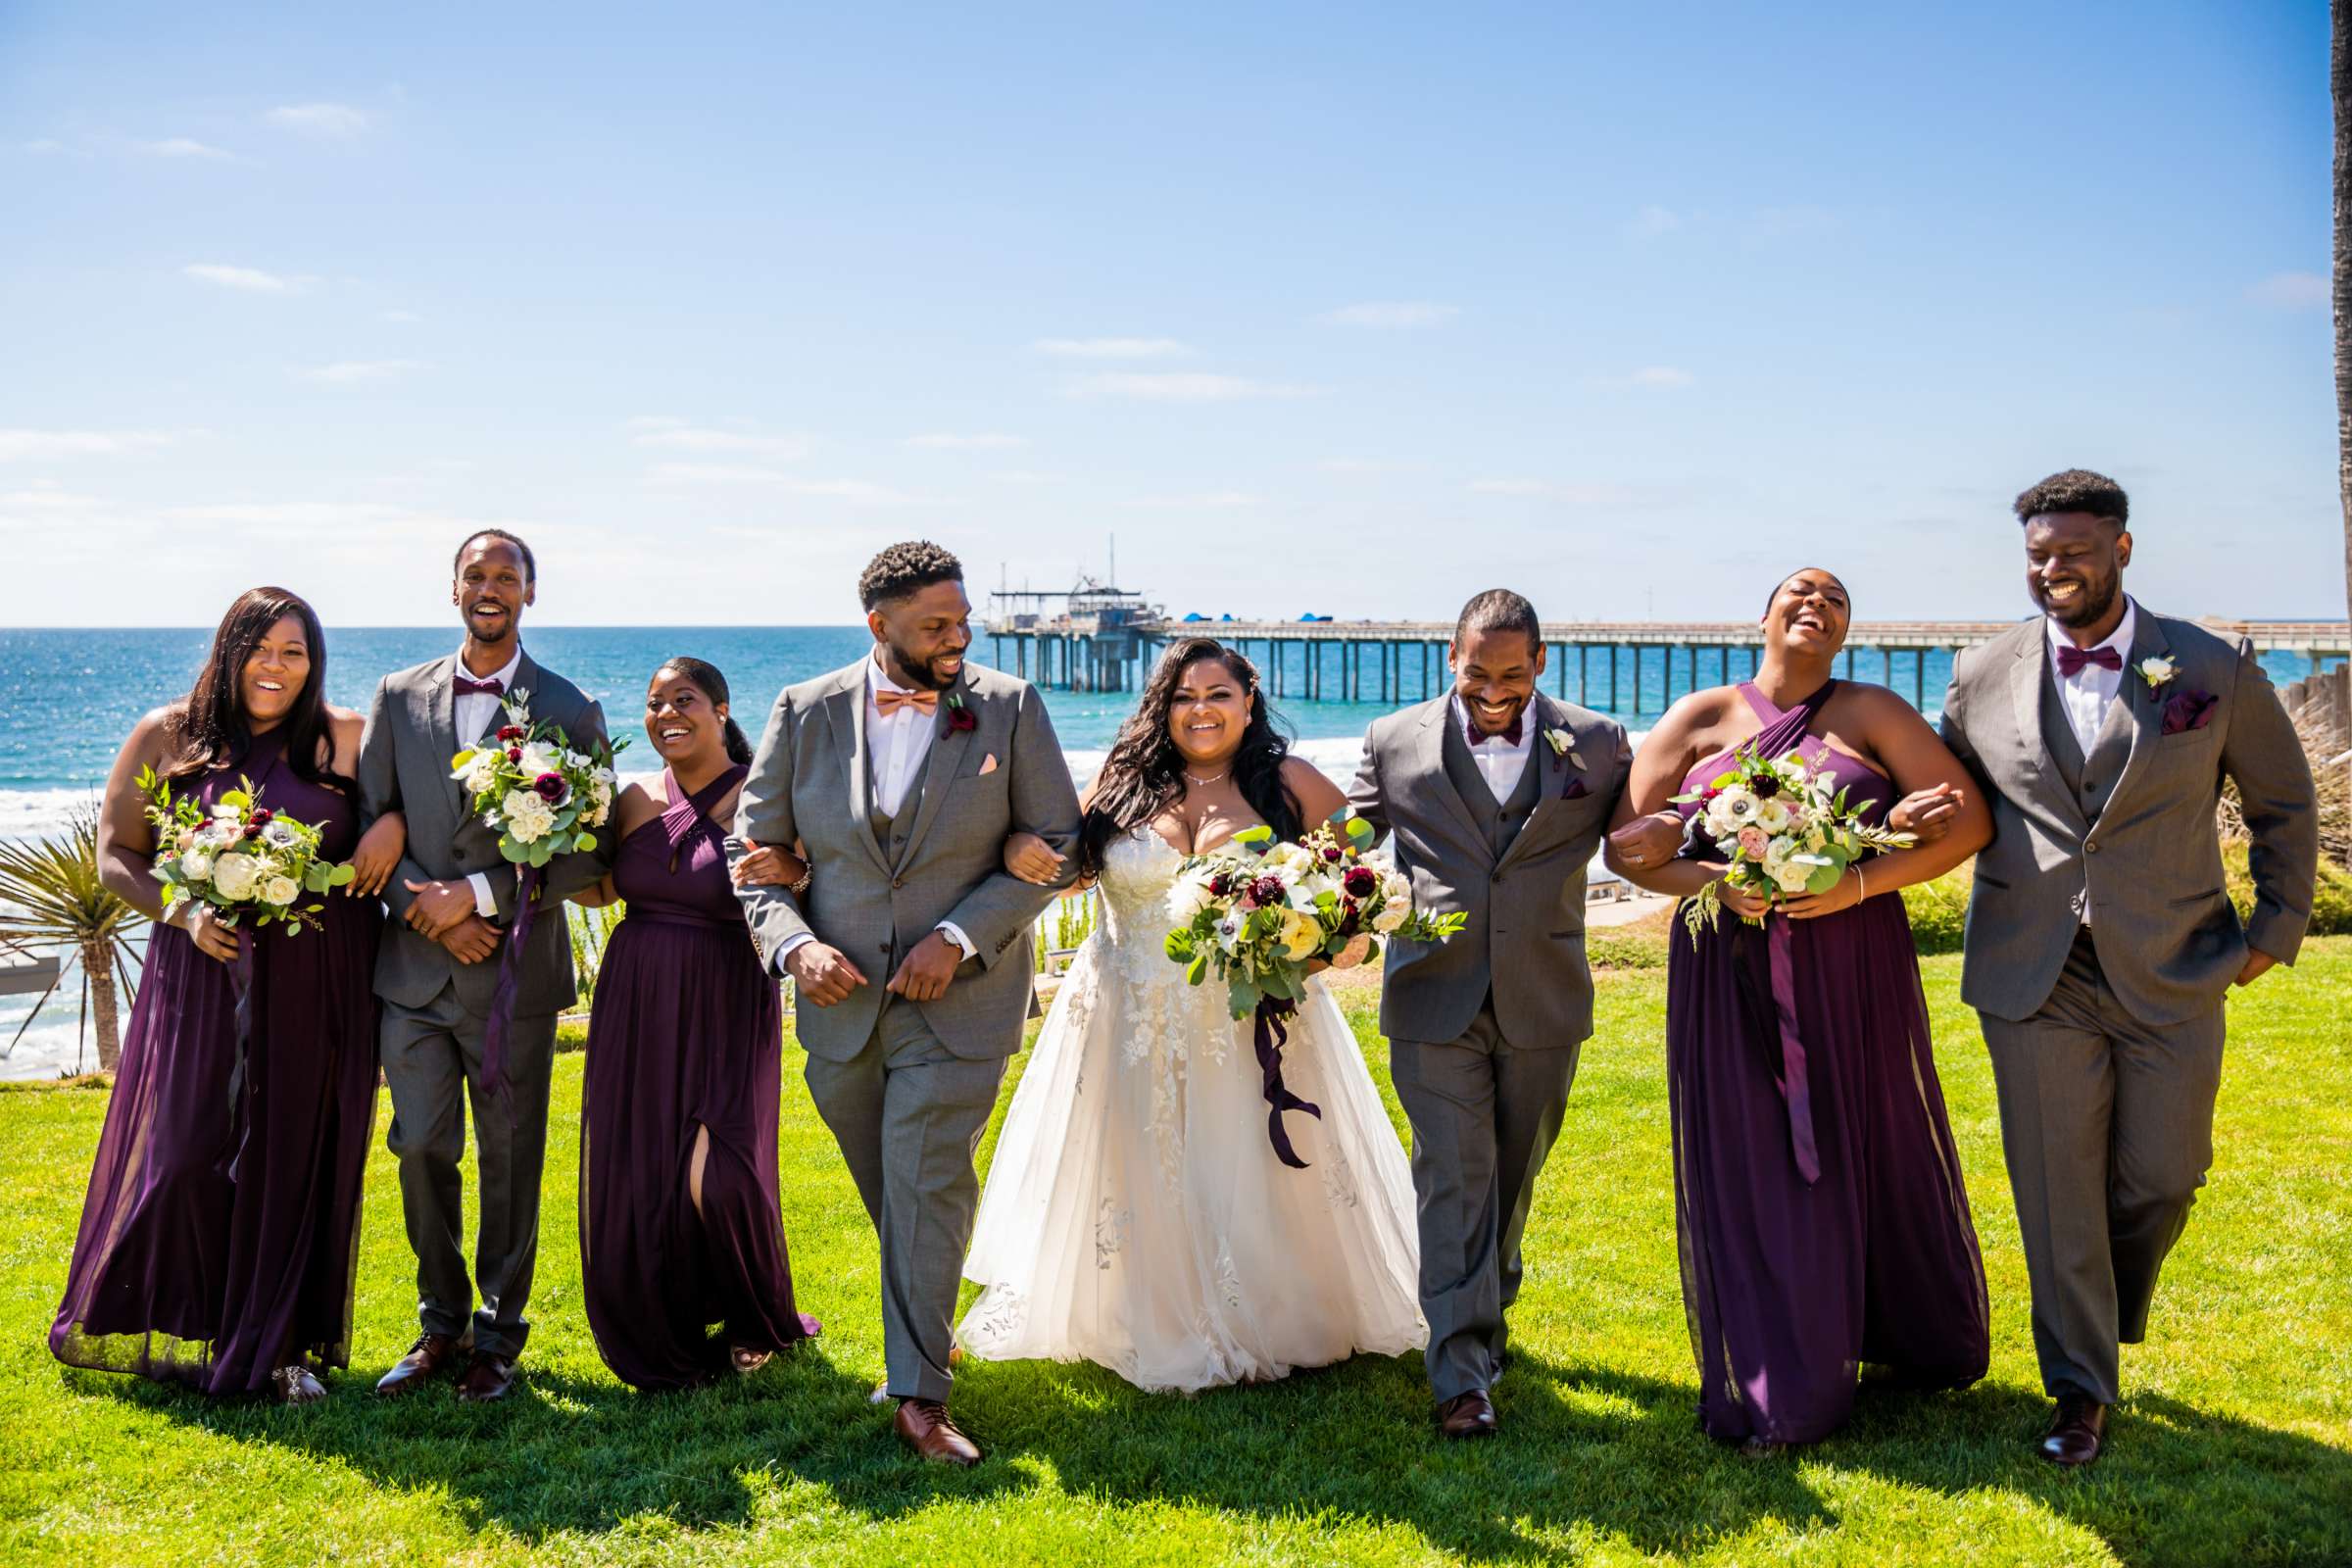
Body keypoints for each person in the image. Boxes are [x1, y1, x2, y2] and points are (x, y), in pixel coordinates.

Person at [1939, 471, 2318, 1467]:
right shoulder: (1978, 672)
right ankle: (2079, 1392)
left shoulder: (2209, 667)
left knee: (2163, 1175)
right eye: (2036, 555)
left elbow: (2285, 801)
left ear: (2122, 548)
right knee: (2055, 1187)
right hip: (2035, 973)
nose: (2051, 569)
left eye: (2071, 551)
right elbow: (1945, 795)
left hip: (2176, 961)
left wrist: (2277, 927)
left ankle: (2103, 1304)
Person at [957, 638, 1425, 1393]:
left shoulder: (1290, 782)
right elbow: (1065, 867)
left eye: (1217, 694)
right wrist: (1017, 846)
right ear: (1161, 706)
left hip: (1249, 1018)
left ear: (1249, 699)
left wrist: (1329, 945)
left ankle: (1271, 1311)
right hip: (1125, 1012)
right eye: (1183, 696)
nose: (1200, 711)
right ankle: (1147, 1313)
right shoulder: (1122, 783)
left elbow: (1359, 886)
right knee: (1140, 1159)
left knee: (1248, 1157)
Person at [1608, 566, 1993, 1448]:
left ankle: (1897, 1332)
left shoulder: (1875, 712)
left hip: (1851, 960)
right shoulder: (1699, 718)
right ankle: (1781, 1369)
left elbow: (1969, 824)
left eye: (1837, 600)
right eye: (1800, 593)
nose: (1816, 605)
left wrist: (1858, 884)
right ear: (1766, 614)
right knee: (1750, 1152)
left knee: (1868, 1135)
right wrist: (1719, 881)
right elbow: (1629, 850)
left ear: (1847, 630)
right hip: (1725, 962)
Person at [728, 540, 1080, 1466]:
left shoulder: (1009, 709)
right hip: (840, 1010)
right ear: (877, 623)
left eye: (963, 621)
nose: (958, 638)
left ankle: (919, 1398)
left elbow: (1058, 839)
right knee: (896, 1192)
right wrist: (796, 946)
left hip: (961, 1001)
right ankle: (928, 1318)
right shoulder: (801, 713)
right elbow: (752, 855)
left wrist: (960, 936)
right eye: (936, 626)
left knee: (927, 1176)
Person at [52, 588, 402, 1402]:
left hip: (321, 974)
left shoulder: (346, 736)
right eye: (261, 648)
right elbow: (116, 853)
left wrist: (391, 830)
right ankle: (175, 1314)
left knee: (295, 1155)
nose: (276, 668)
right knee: (183, 1152)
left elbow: (401, 817)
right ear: (228, 649)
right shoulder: (165, 733)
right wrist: (179, 910)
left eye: (296, 652)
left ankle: (278, 1345)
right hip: (203, 970)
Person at [1346, 589, 1633, 1439]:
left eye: (1513, 674)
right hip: (1433, 991)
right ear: (1451, 656)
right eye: (1478, 672)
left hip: (1546, 992)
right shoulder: (1392, 741)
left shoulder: (1600, 742)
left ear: (1541, 663)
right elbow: (1344, 845)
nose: (1495, 690)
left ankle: (1488, 1294)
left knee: (1511, 1176)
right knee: (1453, 1174)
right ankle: (1461, 1373)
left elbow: (1644, 833)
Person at [359, 530, 612, 1403]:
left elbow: (585, 856)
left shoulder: (571, 710)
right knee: (420, 1144)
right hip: (413, 976)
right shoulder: (397, 697)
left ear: (531, 593)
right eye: (477, 574)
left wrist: (479, 895)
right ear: (453, 588)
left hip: (515, 981)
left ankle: (497, 1340)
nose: (491, 587)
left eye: (508, 576)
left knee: (511, 1154)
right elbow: (370, 829)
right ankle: (439, 1324)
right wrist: (425, 913)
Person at [567, 659, 822, 1390]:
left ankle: (754, 1311)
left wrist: (794, 874)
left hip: (726, 991)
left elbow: (802, 873)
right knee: (647, 1162)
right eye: (653, 704)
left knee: (719, 1171)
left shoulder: (761, 792)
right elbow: (603, 888)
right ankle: (667, 1314)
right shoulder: (632, 799)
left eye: (684, 701)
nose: (667, 714)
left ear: (718, 709)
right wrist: (537, 842)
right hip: (637, 990)